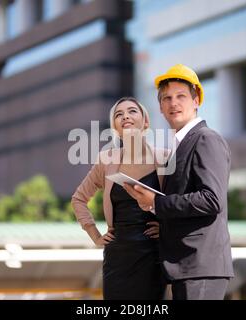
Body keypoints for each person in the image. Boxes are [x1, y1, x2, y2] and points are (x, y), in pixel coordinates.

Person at [124, 64, 234, 300]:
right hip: (187, 267)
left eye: (181, 96)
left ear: (196, 101)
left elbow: (211, 200)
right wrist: (162, 223)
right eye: (167, 98)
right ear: (161, 108)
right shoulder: (178, 146)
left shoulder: (206, 139)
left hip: (200, 265)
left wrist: (156, 203)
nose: (174, 103)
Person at [71, 97, 168, 300]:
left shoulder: (166, 158)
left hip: (153, 254)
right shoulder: (106, 161)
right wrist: (95, 235)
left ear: (146, 122)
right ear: (115, 127)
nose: (125, 116)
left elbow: (179, 202)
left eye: (132, 111)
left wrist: (168, 228)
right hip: (118, 256)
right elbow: (78, 199)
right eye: (118, 114)